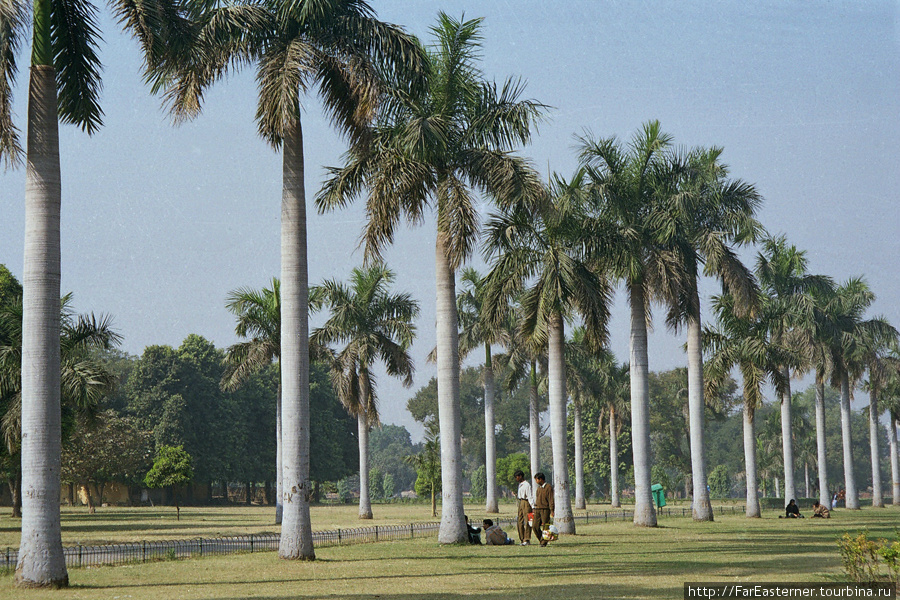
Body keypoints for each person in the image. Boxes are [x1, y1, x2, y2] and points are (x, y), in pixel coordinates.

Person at [533, 472, 554, 547]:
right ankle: (542, 540)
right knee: (535, 526)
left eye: (536, 480)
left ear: (540, 479)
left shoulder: (548, 487)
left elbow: (551, 499)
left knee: (546, 526)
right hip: (537, 509)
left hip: (545, 509)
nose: (536, 481)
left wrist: (552, 510)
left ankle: (544, 542)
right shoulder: (538, 489)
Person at [514, 470, 534, 545]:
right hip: (521, 502)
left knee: (528, 521)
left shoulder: (527, 485)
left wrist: (532, 506)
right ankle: (522, 538)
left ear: (521, 476)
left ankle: (527, 539)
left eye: (517, 477)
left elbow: (529, 496)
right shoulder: (520, 485)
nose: (516, 479)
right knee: (520, 521)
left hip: (526, 502)